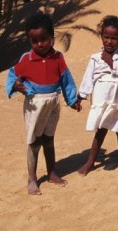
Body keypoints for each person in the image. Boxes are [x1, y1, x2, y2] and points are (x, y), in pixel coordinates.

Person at [5, 13, 81, 195]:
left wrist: (72, 100)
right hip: (35, 105)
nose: (40, 44)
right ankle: (32, 179)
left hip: (53, 103)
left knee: (49, 139)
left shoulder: (58, 58)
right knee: (34, 141)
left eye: (44, 39)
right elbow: (12, 76)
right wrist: (16, 85)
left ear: (52, 38)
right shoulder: (26, 59)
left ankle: (52, 173)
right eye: (34, 41)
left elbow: (66, 80)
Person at [75, 15, 118, 176]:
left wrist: (110, 63)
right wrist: (81, 96)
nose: (109, 41)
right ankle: (90, 162)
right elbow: (88, 78)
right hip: (102, 98)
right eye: (106, 37)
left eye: (114, 38)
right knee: (101, 129)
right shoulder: (94, 57)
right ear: (101, 37)